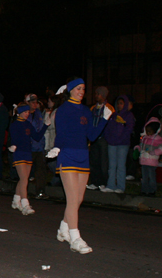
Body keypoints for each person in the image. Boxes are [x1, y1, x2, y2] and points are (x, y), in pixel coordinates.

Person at [46, 78, 109, 254]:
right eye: (78, 88)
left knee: (78, 200)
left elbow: (92, 135)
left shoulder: (85, 111)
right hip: (67, 155)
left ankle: (63, 229)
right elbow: (62, 132)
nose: (82, 91)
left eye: (83, 89)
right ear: (71, 90)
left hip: (83, 156)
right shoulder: (64, 109)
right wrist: (57, 147)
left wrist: (104, 119)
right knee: (73, 199)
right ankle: (75, 238)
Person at [8, 103, 49, 215]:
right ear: (19, 113)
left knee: (23, 179)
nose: (27, 114)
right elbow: (14, 138)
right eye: (25, 112)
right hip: (19, 153)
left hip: (28, 153)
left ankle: (16, 201)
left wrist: (45, 125)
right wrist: (13, 146)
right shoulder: (15, 124)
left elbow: (37, 136)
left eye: (28, 112)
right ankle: (25, 204)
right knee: (24, 179)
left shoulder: (28, 124)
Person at [102, 95, 135, 193]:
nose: (119, 105)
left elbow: (128, 129)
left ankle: (120, 187)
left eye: (121, 103)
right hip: (112, 143)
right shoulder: (113, 115)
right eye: (118, 103)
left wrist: (120, 139)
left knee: (120, 166)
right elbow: (107, 128)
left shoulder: (129, 115)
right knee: (112, 165)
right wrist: (109, 138)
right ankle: (111, 185)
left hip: (122, 144)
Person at [87, 86, 113, 191]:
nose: (96, 96)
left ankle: (103, 182)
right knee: (94, 161)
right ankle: (94, 182)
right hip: (94, 138)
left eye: (97, 94)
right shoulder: (93, 108)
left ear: (103, 95)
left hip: (103, 138)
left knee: (103, 162)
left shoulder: (109, 108)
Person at [25, 93, 50, 199]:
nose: (35, 104)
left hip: (39, 147)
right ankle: (22, 192)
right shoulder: (25, 114)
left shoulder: (39, 113)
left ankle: (40, 191)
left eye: (36, 102)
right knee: (25, 171)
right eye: (33, 102)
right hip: (29, 147)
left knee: (41, 170)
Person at [137, 118, 162, 196]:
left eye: (149, 131)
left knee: (151, 177)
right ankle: (144, 190)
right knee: (144, 178)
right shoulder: (144, 138)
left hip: (152, 162)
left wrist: (155, 152)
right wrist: (137, 148)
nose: (148, 132)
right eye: (147, 131)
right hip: (144, 161)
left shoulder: (158, 139)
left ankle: (152, 191)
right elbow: (141, 147)